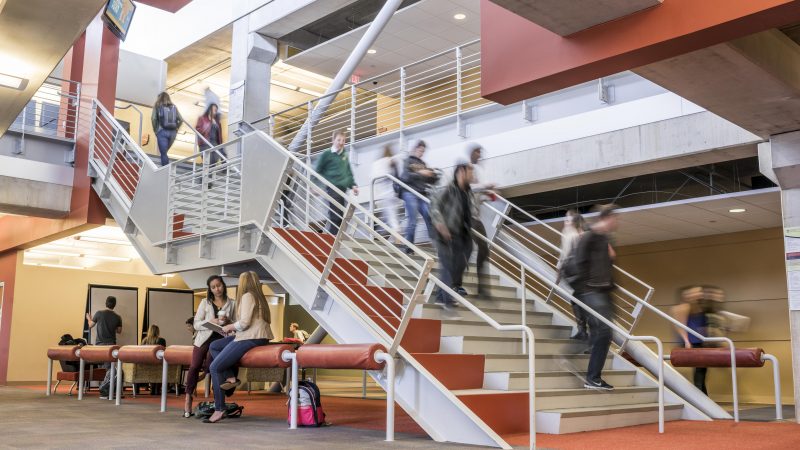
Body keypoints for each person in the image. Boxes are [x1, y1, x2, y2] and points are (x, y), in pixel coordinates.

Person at [205, 271, 273, 424]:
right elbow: (248, 322)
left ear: (243, 282)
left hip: (251, 337)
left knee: (215, 367)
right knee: (214, 345)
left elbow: (244, 323)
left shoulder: (248, 296)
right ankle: (230, 377)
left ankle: (219, 408)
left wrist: (229, 327)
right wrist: (233, 328)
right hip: (255, 336)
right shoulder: (259, 296)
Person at [573, 204, 618, 391]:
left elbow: (607, 264)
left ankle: (593, 376)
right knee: (604, 331)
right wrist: (585, 290)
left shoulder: (604, 238)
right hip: (591, 291)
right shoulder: (590, 235)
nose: (617, 222)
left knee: (605, 333)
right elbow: (579, 262)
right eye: (614, 218)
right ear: (606, 218)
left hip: (604, 291)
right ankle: (592, 377)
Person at [183, 275, 235, 418]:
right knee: (194, 366)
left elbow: (236, 324)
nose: (217, 289)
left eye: (219, 285)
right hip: (204, 338)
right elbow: (196, 324)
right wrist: (211, 321)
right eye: (213, 287)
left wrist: (228, 321)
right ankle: (188, 397)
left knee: (212, 367)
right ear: (210, 289)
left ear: (223, 285)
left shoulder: (232, 303)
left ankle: (218, 399)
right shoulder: (205, 303)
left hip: (222, 339)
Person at [431, 163, 475, 306]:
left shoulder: (467, 192)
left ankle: (441, 295)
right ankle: (446, 300)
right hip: (445, 234)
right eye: (470, 172)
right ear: (461, 172)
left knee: (459, 263)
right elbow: (434, 204)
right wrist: (440, 224)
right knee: (448, 266)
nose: (473, 175)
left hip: (461, 235)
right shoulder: (449, 189)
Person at [315, 130, 359, 234]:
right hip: (332, 188)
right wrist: (316, 186)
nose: (341, 142)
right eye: (339, 140)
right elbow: (318, 170)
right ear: (333, 140)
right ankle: (333, 240)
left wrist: (353, 185)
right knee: (335, 216)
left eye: (343, 140)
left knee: (341, 215)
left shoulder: (344, 155)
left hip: (342, 190)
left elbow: (348, 172)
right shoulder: (327, 154)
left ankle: (334, 238)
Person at [467, 144, 495, 296]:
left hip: (475, 218)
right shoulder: (467, 174)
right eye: (477, 152)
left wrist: (487, 196)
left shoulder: (477, 175)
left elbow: (477, 196)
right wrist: (485, 186)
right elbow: (471, 188)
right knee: (468, 249)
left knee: (483, 250)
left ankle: (482, 289)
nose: (480, 155)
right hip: (466, 218)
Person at [400, 140, 438, 252]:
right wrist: (420, 173)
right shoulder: (407, 161)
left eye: (423, 151)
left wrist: (433, 175)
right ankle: (408, 248)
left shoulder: (423, 164)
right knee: (413, 220)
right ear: (415, 149)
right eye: (420, 150)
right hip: (410, 193)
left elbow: (430, 181)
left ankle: (436, 245)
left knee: (429, 216)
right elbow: (405, 177)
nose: (422, 153)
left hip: (422, 193)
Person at [556, 210, 588, 340]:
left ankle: (584, 332)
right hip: (580, 277)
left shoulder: (574, 235)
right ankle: (582, 331)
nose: (565, 222)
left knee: (581, 302)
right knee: (576, 300)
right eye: (565, 219)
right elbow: (564, 256)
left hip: (582, 277)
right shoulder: (571, 235)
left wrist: (558, 274)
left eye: (568, 220)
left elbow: (565, 256)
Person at [85, 296, 122, 398]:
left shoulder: (99, 313)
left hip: (100, 346)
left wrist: (88, 318)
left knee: (102, 368)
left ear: (106, 303)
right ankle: (106, 390)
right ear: (114, 305)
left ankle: (104, 390)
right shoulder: (118, 317)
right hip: (112, 346)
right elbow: (119, 331)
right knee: (110, 368)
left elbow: (90, 325)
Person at [370, 144, 401, 237]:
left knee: (389, 216)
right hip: (387, 193)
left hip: (387, 193)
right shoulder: (384, 162)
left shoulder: (386, 163)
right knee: (391, 216)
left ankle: (380, 233)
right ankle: (386, 233)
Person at [151, 92, 184, 166]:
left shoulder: (157, 106)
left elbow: (153, 119)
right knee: (164, 152)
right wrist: (177, 128)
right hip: (173, 133)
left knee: (163, 153)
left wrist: (156, 130)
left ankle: (165, 172)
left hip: (162, 132)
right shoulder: (174, 107)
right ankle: (166, 170)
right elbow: (181, 119)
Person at [141, 325, 167, 395]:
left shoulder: (144, 341)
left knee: (153, 368)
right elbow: (164, 352)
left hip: (146, 364)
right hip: (158, 363)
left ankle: (152, 388)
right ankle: (157, 389)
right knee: (160, 368)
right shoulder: (161, 340)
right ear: (158, 331)